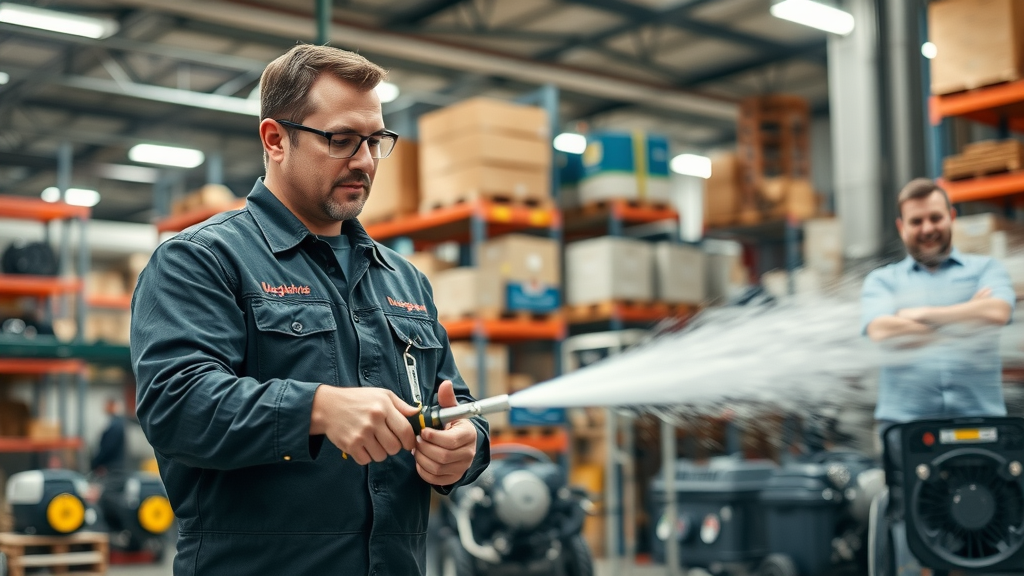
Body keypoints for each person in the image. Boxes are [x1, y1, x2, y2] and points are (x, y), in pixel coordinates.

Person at [130, 44, 490, 576]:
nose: (365, 161)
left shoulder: (403, 278)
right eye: (342, 140)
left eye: (375, 141)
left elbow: (455, 400)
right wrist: (318, 409)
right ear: (275, 139)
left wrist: (464, 449)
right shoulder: (201, 261)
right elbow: (177, 406)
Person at [861, 178, 1014, 432]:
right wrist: (967, 319)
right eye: (916, 221)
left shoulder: (986, 269)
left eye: (935, 217)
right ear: (901, 227)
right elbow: (882, 331)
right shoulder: (882, 281)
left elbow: (998, 311)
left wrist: (922, 314)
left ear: (951, 216)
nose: (927, 228)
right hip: (905, 429)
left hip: (981, 424)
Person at [90, 398, 126, 475]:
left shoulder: (115, 425)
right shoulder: (117, 423)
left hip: (112, 468)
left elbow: (108, 447)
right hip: (115, 467)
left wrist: (96, 462)